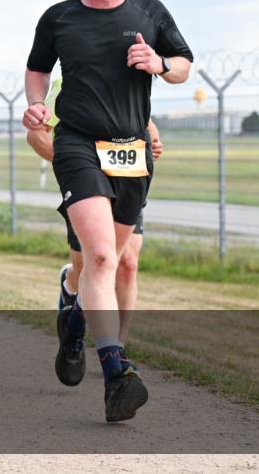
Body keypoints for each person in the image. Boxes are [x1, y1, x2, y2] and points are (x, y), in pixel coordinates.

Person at [23, 0, 193, 423]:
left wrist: (159, 63)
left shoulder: (151, 12)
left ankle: (74, 323)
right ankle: (117, 371)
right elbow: (37, 68)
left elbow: (184, 65)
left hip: (133, 148)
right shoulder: (59, 17)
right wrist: (36, 105)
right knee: (99, 255)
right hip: (78, 144)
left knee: (118, 261)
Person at [25, 78, 163, 381]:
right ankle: (70, 290)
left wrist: (152, 142)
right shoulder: (71, 78)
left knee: (127, 263)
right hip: (86, 186)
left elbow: (146, 121)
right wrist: (76, 162)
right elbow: (36, 136)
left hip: (128, 176)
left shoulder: (126, 73)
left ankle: (118, 349)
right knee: (90, 264)